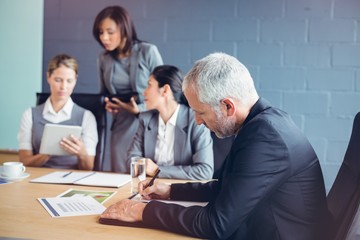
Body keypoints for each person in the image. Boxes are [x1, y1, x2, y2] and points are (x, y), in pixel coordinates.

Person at [100, 52, 330, 239]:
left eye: (200, 112)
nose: (198, 121)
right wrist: (171, 190)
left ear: (228, 106)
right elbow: (229, 189)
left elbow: (216, 224)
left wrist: (144, 210)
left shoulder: (266, 138)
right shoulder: (262, 125)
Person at [92, 5, 163, 172]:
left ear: (124, 29)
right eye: (101, 32)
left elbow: (165, 92)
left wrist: (139, 109)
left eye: (110, 32)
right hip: (122, 123)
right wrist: (108, 104)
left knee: (146, 174)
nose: (104, 38)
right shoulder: (103, 58)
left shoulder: (148, 51)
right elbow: (104, 94)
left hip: (150, 120)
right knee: (120, 172)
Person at [127, 65, 213, 180]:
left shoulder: (195, 121)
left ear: (165, 90)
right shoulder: (145, 119)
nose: (144, 92)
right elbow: (131, 160)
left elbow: (204, 171)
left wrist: (158, 170)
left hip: (183, 191)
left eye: (149, 85)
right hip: (149, 188)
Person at [17, 54, 98, 170]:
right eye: (58, 80)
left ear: (75, 80)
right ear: (48, 77)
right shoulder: (29, 115)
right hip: (38, 178)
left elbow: (88, 167)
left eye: (69, 81)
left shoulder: (86, 117)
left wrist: (82, 153)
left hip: (72, 178)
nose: (63, 87)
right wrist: (46, 153)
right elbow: (25, 161)